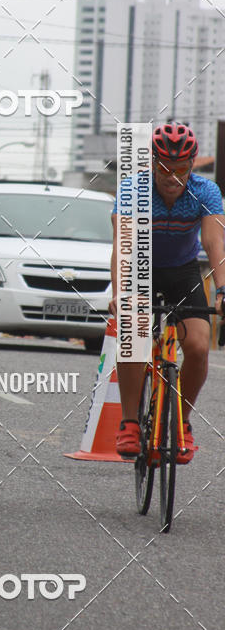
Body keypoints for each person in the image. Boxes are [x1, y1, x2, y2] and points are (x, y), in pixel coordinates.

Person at [110, 122, 225, 461]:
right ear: (152, 163)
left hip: (182, 272)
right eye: (164, 168)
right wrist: (119, 293)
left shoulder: (206, 191)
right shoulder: (133, 190)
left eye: (180, 169)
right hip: (140, 267)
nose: (172, 177)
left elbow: (214, 243)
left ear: (191, 166)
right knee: (134, 335)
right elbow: (123, 248)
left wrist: (222, 290)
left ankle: (183, 423)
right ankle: (130, 422)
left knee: (199, 345)